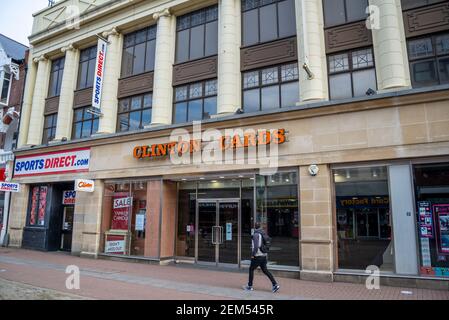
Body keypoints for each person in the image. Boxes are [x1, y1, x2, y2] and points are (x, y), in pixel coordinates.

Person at [244, 223, 280, 293]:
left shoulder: (256, 235)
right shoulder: (263, 233)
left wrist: (253, 254)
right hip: (264, 255)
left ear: (254, 227)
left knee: (251, 269)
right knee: (265, 270)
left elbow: (256, 246)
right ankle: (275, 284)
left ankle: (249, 286)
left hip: (258, 256)